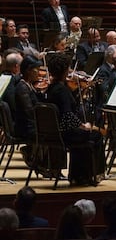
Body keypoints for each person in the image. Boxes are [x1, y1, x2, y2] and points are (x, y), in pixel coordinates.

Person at [45, 52, 106, 185]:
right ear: (65, 70)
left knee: (85, 134)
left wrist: (80, 90)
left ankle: (77, 175)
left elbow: (66, 106)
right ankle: (89, 175)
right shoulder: (62, 90)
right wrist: (83, 126)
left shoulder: (52, 88)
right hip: (65, 134)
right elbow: (67, 116)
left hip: (55, 133)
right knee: (96, 135)